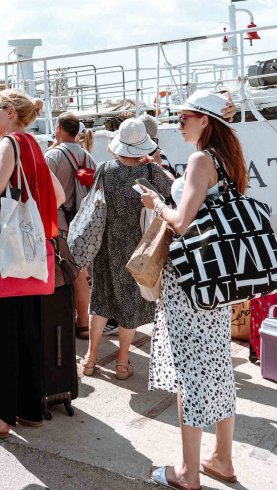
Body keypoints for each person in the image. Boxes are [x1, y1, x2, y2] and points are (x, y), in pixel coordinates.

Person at [140, 90, 242, 490]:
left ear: (205, 121)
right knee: (216, 365)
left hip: (190, 280)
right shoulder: (227, 161)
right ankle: (222, 460)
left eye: (184, 117)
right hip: (215, 278)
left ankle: (187, 472)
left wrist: (156, 202)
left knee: (191, 371)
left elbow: (181, 222)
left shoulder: (201, 159)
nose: (177, 123)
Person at [0, 89, 65, 438]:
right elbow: (59, 196)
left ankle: (0, 416)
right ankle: (30, 409)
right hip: (33, 250)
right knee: (28, 329)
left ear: (8, 111)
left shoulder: (8, 143)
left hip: (6, 250)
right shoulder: (35, 145)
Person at [81, 118, 172, 382]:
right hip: (139, 247)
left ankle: (90, 358)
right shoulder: (153, 173)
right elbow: (169, 198)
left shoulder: (105, 169)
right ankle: (122, 363)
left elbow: (93, 203)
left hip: (107, 245)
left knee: (100, 300)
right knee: (130, 303)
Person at [45, 112, 96, 340]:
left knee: (66, 274)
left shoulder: (52, 156)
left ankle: (69, 321)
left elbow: (44, 193)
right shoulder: (87, 157)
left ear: (58, 129)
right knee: (81, 273)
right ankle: (83, 323)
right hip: (84, 223)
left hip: (60, 224)